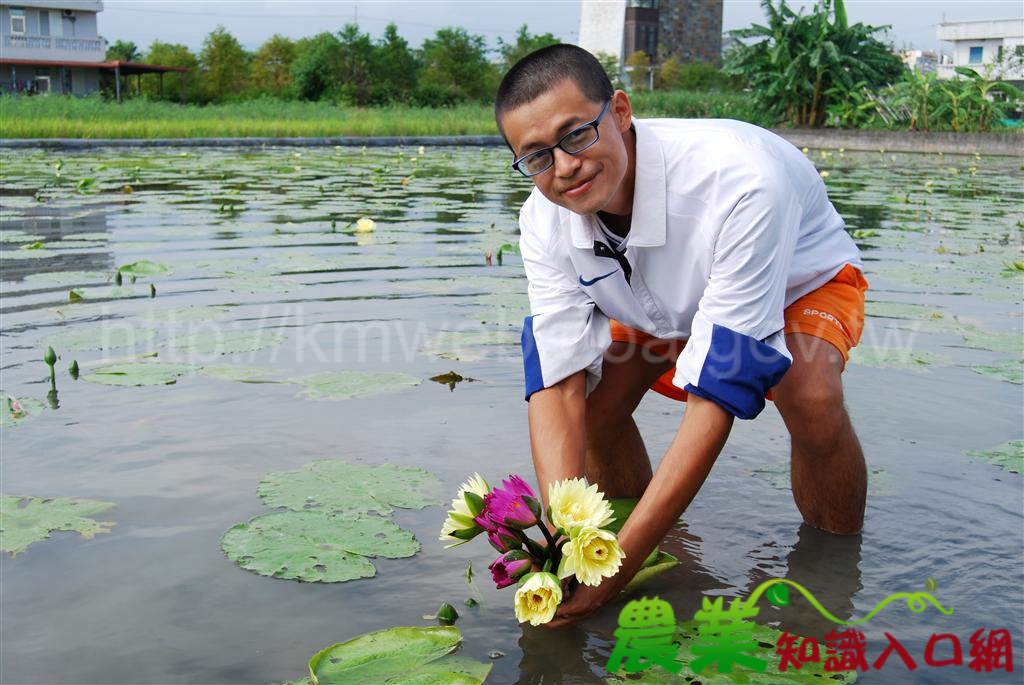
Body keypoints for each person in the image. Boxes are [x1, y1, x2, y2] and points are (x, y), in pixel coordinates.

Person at [494, 44, 870, 627]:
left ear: (620, 111)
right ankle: (658, 562)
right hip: (654, 299)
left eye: (576, 136)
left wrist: (621, 563)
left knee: (810, 395)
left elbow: (716, 393)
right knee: (595, 406)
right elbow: (558, 377)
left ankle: (831, 572)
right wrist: (558, 538)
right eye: (536, 157)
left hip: (795, 282)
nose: (564, 166)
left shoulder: (742, 182)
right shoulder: (543, 218)